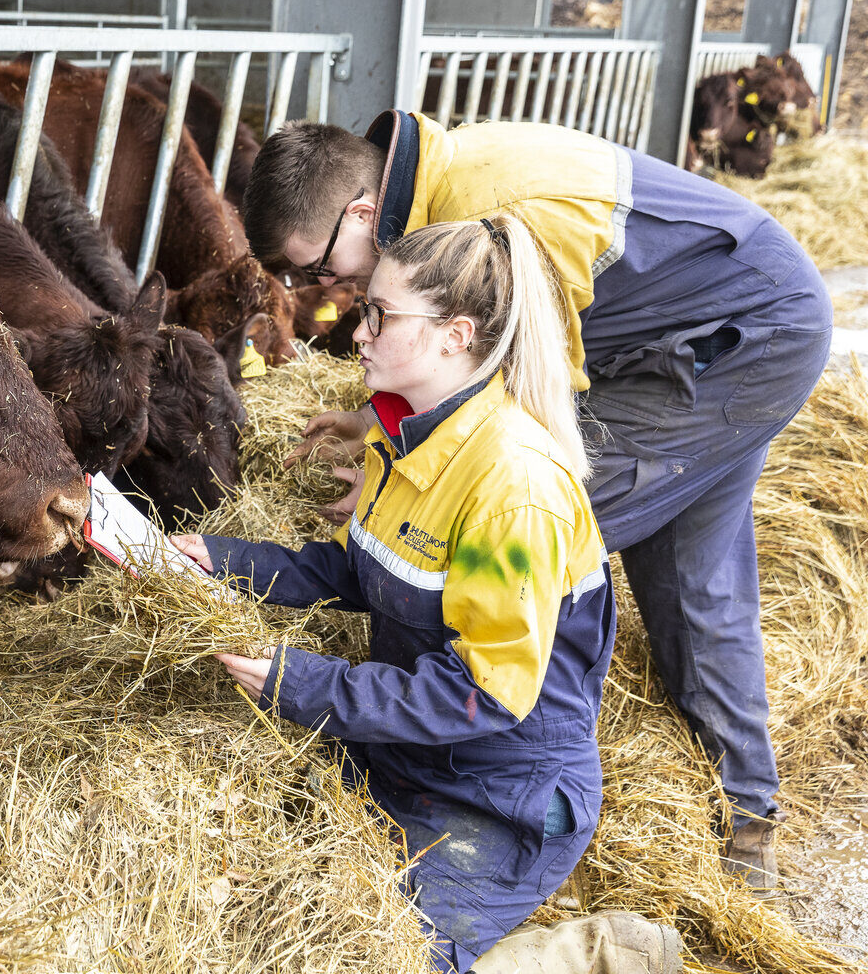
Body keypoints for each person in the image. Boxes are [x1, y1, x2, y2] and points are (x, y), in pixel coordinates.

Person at [240, 113, 831, 889]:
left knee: (512, 537)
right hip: (717, 326)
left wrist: (407, 485)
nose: (330, 292)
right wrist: (375, 420)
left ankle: (506, 790)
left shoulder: (495, 213)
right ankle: (746, 812)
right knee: (694, 570)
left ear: (359, 212)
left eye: (316, 268)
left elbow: (528, 401)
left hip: (737, 338)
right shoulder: (437, 187)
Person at [173, 214, 680, 973]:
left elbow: (485, 693)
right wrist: (218, 557)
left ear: (455, 334)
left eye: (380, 315)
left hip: (500, 791)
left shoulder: (515, 488)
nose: (356, 333)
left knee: (373, 959)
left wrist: (306, 684)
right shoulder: (406, 434)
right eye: (364, 309)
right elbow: (355, 571)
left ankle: (589, 954)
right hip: (406, 755)